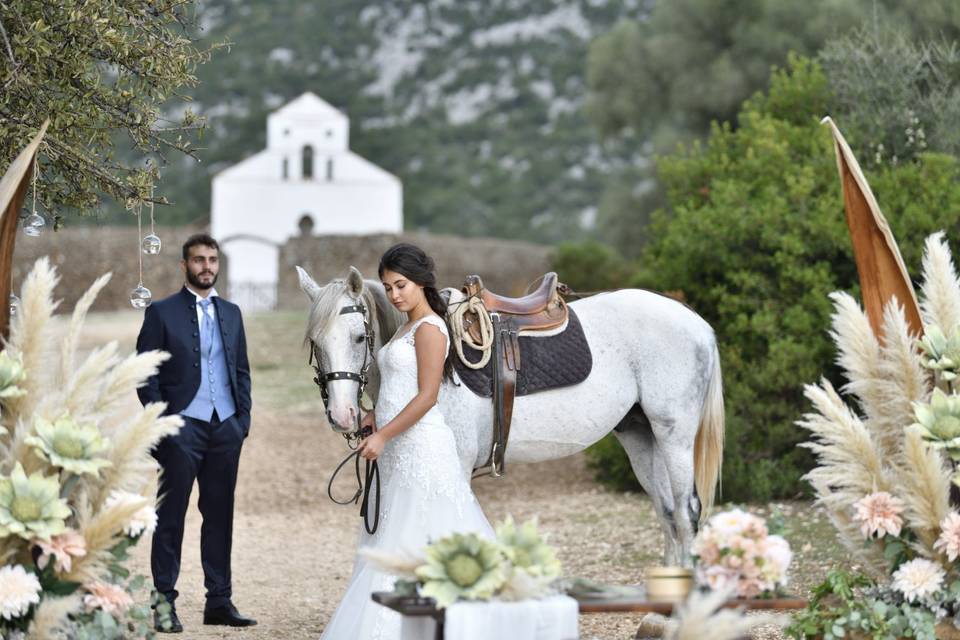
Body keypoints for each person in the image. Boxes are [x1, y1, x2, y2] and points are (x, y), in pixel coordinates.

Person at [320, 243, 493, 639]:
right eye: (388, 287)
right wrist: (372, 416)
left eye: (402, 285)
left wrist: (382, 434)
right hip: (400, 451)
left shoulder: (430, 328)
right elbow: (397, 389)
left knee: (421, 538)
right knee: (393, 539)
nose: (395, 295)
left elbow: (427, 396)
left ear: (421, 283)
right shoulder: (405, 327)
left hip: (424, 450)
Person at [136, 234, 257, 633]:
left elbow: (240, 370)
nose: (206, 266)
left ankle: (219, 601)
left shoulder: (233, 312)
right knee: (170, 516)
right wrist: (163, 425)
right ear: (184, 265)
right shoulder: (161, 312)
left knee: (219, 516)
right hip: (181, 428)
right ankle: (164, 605)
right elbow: (145, 374)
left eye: (212, 260)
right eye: (198, 260)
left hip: (225, 426)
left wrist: (241, 422)